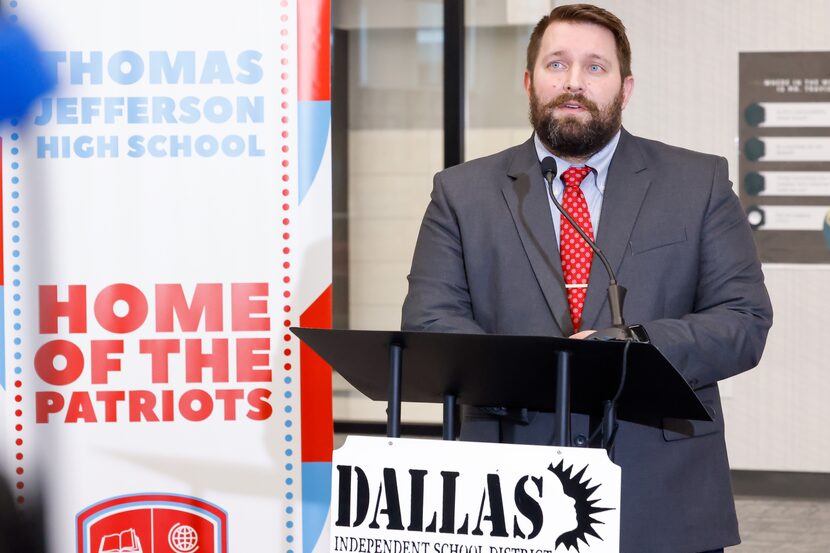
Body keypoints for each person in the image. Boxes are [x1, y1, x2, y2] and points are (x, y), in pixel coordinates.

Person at [401, 4, 772, 553]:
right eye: (557, 64)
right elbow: (430, 321)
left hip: (661, 488)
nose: (573, 82)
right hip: (506, 488)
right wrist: (542, 369)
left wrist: (626, 349)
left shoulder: (699, 183)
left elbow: (743, 319)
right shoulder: (462, 193)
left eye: (595, 67)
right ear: (529, 81)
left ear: (625, 88)